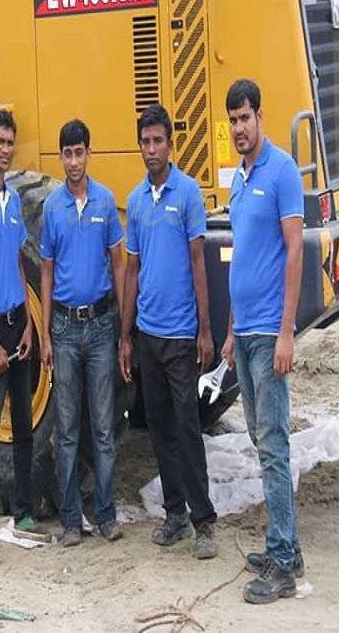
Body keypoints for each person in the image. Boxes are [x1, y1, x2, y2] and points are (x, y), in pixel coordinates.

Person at [118, 103, 218, 560]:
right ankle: (174, 515)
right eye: (145, 141)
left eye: (158, 141)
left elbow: (199, 262)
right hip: (148, 334)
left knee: (187, 425)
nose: (152, 149)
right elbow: (132, 270)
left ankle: (204, 522)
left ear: (170, 145)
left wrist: (204, 330)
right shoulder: (136, 201)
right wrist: (126, 334)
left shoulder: (188, 194)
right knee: (157, 424)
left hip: (181, 336)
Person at [220, 78, 305, 604]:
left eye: (245, 118)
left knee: (273, 445)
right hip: (245, 331)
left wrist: (286, 332)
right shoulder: (238, 179)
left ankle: (282, 562)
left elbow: (294, 254)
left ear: (260, 116)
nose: (238, 128)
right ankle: (287, 546)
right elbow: (244, 256)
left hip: (270, 334)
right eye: (232, 120)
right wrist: (230, 329)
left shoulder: (283, 172)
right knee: (259, 437)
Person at [0, 109, 51, 566]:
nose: (5, 149)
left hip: (20, 321)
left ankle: (23, 514)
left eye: (10, 142)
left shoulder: (13, 201)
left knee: (23, 427)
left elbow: (19, 264)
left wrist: (32, 325)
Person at [39, 119, 125, 547]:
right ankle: (71, 520)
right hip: (66, 331)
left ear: (90, 154)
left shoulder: (106, 203)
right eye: (67, 154)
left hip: (100, 328)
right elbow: (47, 274)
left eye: (80, 153)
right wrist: (46, 336)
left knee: (104, 428)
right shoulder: (52, 209)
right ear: (61, 158)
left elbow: (120, 264)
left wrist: (123, 329)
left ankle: (105, 514)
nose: (74, 161)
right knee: (68, 430)